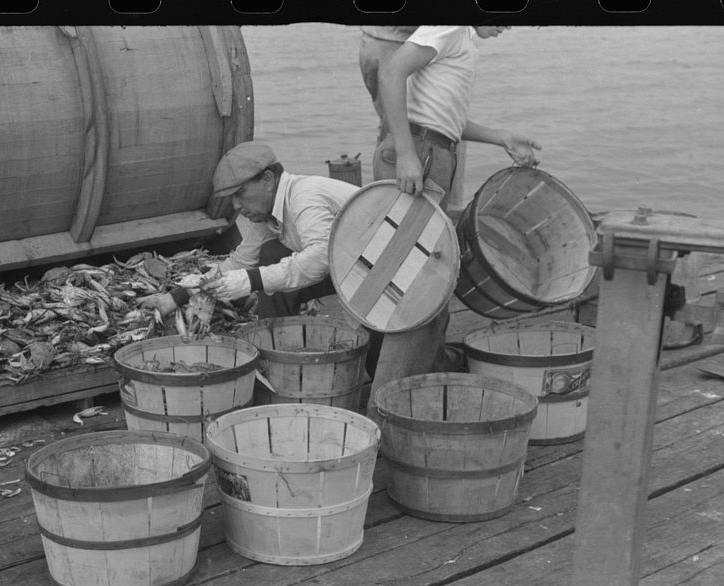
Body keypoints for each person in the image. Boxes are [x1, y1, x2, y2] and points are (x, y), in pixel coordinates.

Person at [367, 25, 542, 418]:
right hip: (422, 154)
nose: (506, 25)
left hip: (434, 150)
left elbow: (444, 120)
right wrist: (407, 152)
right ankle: (385, 412)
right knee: (417, 288)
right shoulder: (449, 24)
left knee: (424, 284)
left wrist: (501, 137)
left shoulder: (460, 40)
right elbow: (391, 72)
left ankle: (411, 397)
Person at [140, 141, 359, 320]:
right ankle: (279, 340)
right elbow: (241, 262)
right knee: (270, 254)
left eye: (240, 194)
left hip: (378, 271)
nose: (235, 206)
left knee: (271, 261)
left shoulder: (304, 198)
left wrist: (249, 281)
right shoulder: (266, 213)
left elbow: (321, 257)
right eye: (231, 198)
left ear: (268, 180)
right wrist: (176, 297)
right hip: (347, 269)